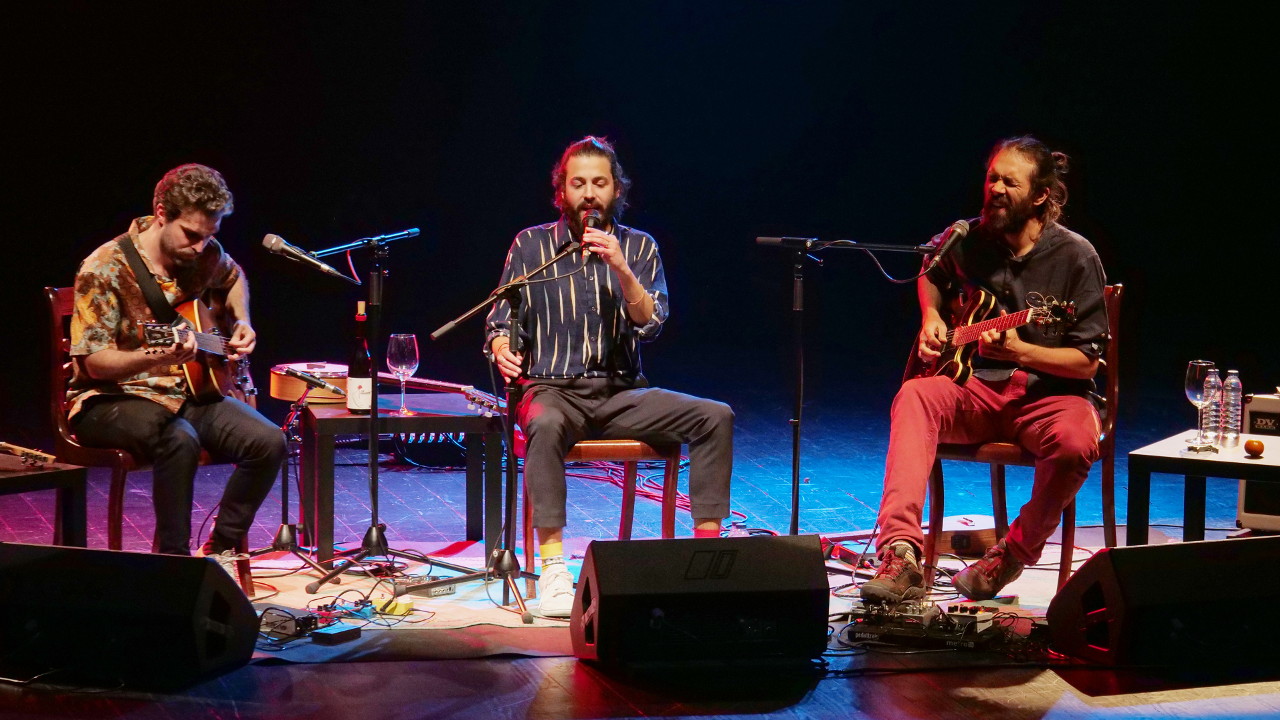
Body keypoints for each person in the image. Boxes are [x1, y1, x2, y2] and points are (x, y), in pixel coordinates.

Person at [486, 136, 735, 617]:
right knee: (545, 422)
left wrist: (620, 266)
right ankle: (556, 569)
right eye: (578, 183)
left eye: (599, 183)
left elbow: (652, 323)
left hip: (621, 392)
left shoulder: (639, 247)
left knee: (715, 416)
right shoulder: (532, 244)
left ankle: (706, 557)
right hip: (551, 389)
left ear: (616, 190)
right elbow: (500, 316)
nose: (589, 194)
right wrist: (500, 346)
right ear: (562, 191)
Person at [860, 136, 1108, 604]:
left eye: (1009, 182)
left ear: (1040, 195)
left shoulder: (1076, 257)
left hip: (1048, 397)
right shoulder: (968, 239)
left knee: (1076, 443)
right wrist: (931, 318)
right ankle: (900, 554)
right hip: (972, 388)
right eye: (991, 177)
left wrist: (1021, 353)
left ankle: (1010, 555)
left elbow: (1086, 361)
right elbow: (931, 270)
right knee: (915, 396)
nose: (995, 188)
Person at [67, 164, 285, 572]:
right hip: (110, 398)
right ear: (161, 212)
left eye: (211, 236)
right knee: (179, 439)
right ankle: (173, 565)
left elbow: (234, 276)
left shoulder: (204, 255)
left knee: (269, 441)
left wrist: (241, 321)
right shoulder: (104, 268)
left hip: (188, 391)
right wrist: (157, 358)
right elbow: (93, 364)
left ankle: (219, 550)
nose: (202, 247)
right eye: (192, 235)